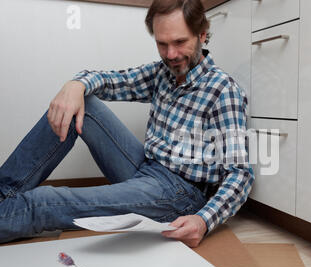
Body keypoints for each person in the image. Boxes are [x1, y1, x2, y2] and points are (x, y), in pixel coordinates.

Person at [0, 0, 254, 247]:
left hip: (180, 194)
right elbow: (110, 80)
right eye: (162, 44)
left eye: (179, 42)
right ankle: (3, 193)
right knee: (81, 102)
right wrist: (75, 84)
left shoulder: (223, 91)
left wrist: (203, 220)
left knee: (42, 203)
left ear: (202, 35)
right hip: (146, 167)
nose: (171, 54)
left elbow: (239, 173)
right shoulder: (161, 73)